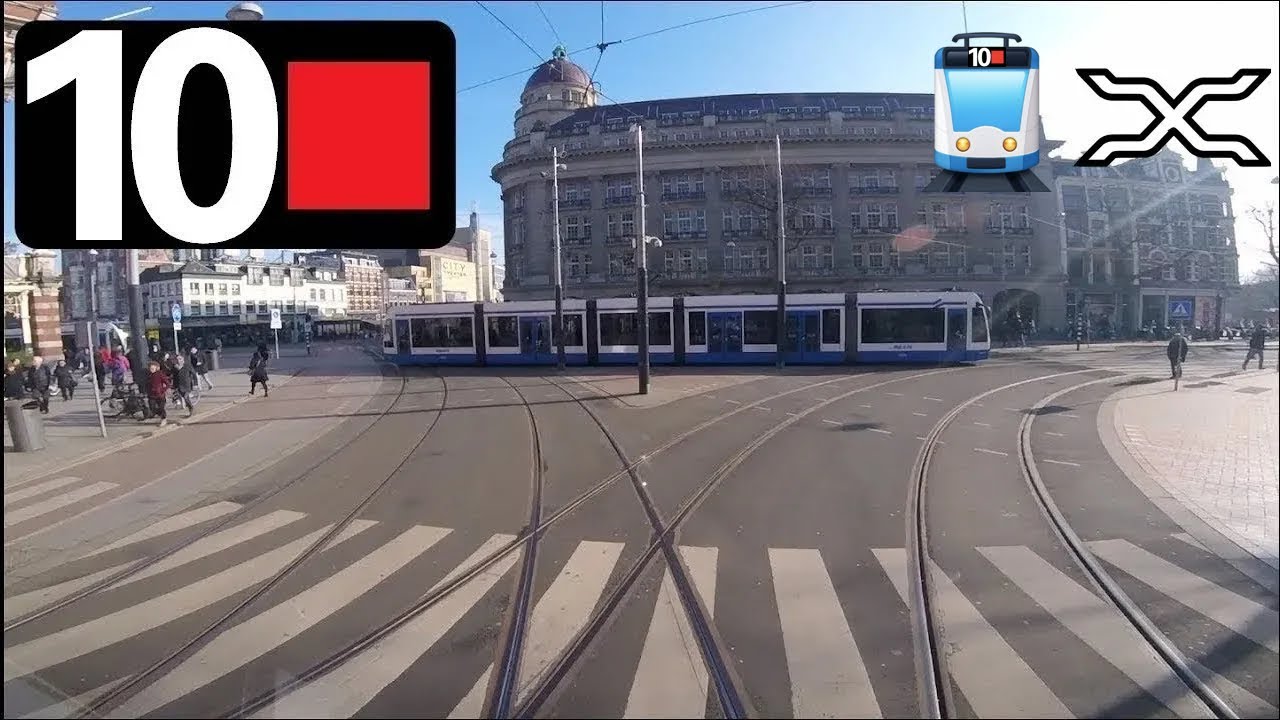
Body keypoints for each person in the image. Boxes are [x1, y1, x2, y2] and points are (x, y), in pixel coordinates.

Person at [145, 359, 171, 427]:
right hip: (151, 395)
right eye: (150, 368)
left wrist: (163, 390)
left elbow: (168, 384)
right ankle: (161, 416)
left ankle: (163, 419)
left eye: (152, 368)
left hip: (160, 395)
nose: (151, 370)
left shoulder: (160, 374)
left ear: (156, 368)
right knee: (152, 408)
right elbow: (147, 385)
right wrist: (147, 391)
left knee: (161, 407)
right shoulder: (148, 375)